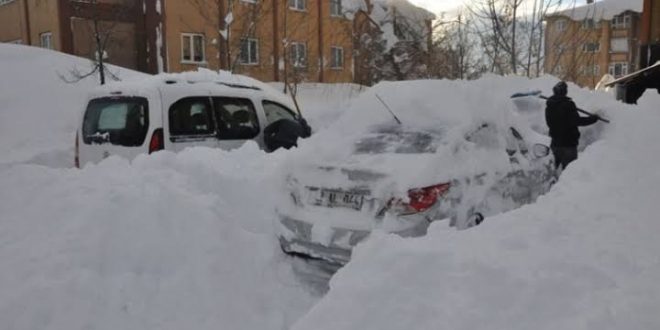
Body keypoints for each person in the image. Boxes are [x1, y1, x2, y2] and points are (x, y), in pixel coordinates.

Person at [545, 81, 599, 170]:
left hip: (554, 144)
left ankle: (552, 184)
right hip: (568, 145)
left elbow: (549, 123)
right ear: (565, 92)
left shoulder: (549, 105)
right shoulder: (568, 105)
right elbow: (577, 121)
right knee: (569, 174)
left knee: (552, 172)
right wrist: (593, 119)